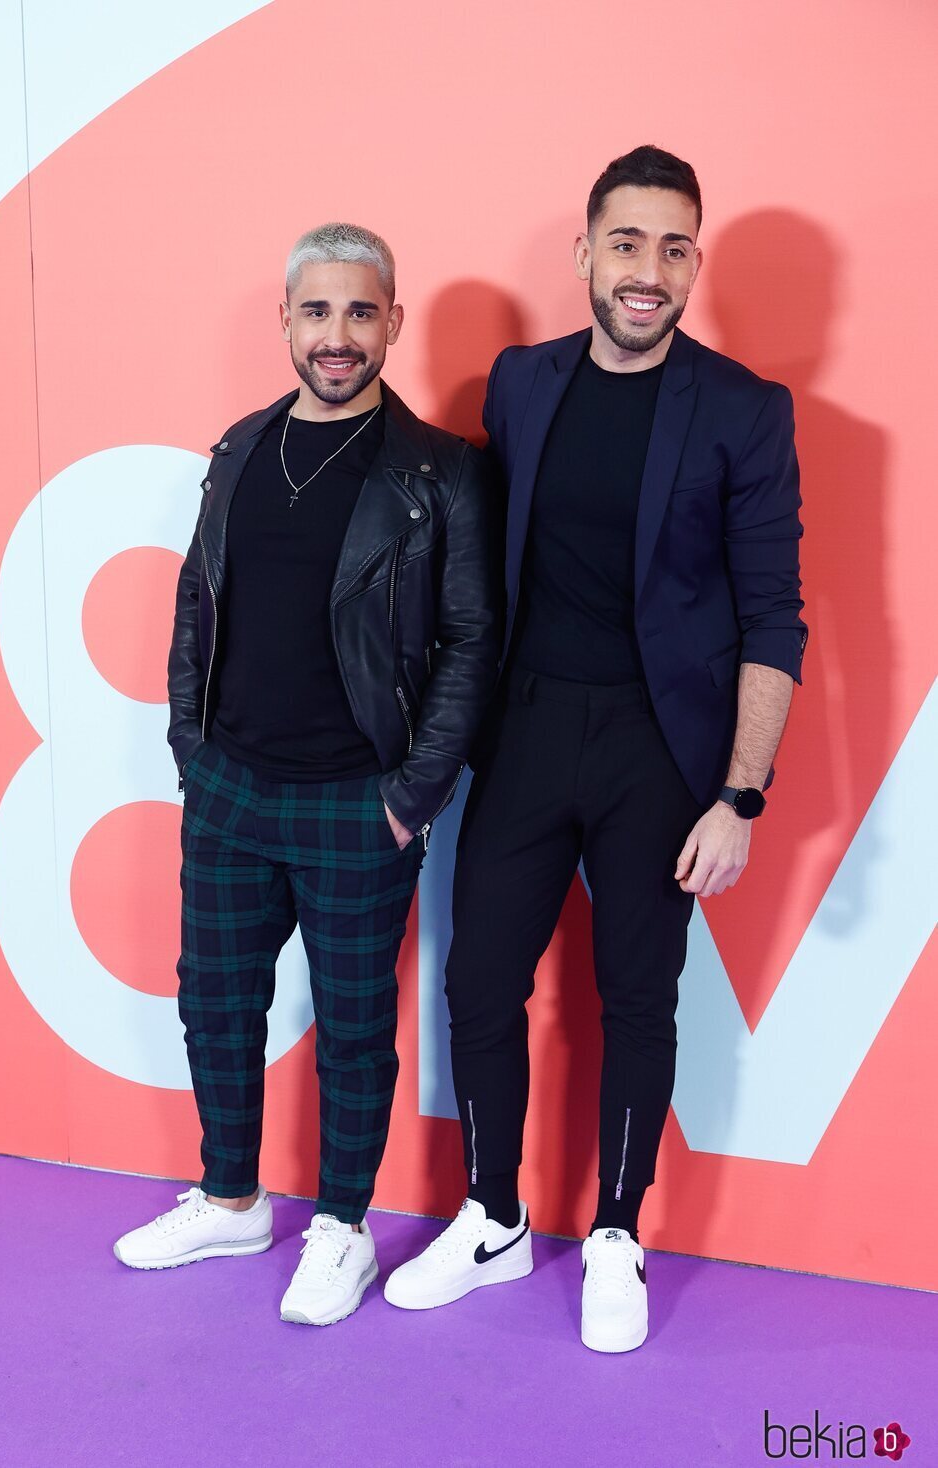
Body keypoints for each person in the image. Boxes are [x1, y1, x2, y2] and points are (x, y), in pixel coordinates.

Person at [384, 147, 807, 1353]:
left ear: (693, 265)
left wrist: (739, 792)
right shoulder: (518, 383)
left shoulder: (740, 408)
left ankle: (616, 1228)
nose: (647, 270)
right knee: (476, 983)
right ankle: (494, 1215)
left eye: (673, 247)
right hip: (521, 732)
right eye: (625, 242)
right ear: (583, 252)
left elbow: (773, 613)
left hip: (656, 753)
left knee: (635, 997)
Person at [113, 222, 501, 1327]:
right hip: (230, 789)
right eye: (317, 312)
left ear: (392, 322)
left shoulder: (438, 473)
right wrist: (190, 749)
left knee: (349, 1025)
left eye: (359, 312)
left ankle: (340, 1226)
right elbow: (198, 599)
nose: (337, 336)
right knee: (215, 1000)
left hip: (356, 797)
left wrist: (408, 795)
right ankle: (231, 1195)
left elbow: (472, 639)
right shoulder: (239, 447)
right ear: (286, 321)